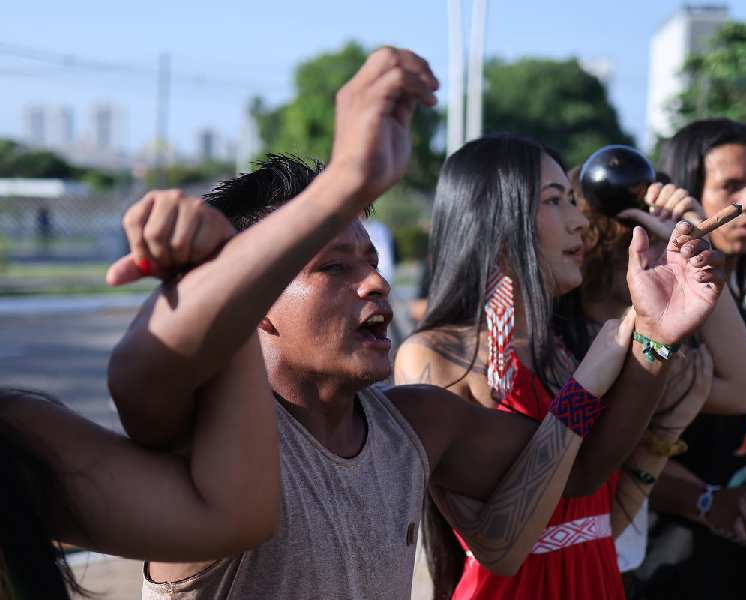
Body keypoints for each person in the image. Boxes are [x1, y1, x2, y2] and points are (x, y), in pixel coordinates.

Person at [107, 48, 663, 600]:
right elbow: (145, 374)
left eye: (371, 262)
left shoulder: (415, 426)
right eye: (334, 267)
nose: (376, 283)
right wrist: (342, 181)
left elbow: (577, 473)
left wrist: (653, 337)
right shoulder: (209, 444)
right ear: (255, 298)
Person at [394, 133, 728, 600]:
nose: (580, 222)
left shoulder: (570, 344)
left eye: (573, 200)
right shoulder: (433, 356)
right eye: (555, 200)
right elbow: (499, 546)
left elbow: (593, 509)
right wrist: (586, 387)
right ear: (495, 218)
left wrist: (657, 344)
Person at [0, 203, 280, 598]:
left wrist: (221, 279)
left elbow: (232, 518)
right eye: (333, 267)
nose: (368, 283)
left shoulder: (18, 439)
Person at [569, 168, 746, 577]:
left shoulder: (651, 353)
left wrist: (697, 249)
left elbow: (745, 389)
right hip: (569, 566)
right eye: (647, 233)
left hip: (618, 566)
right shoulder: (563, 346)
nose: (666, 250)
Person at [634, 119, 746, 600]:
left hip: (742, 561)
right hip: (670, 566)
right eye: (731, 187)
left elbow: (738, 415)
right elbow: (619, 443)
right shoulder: (653, 309)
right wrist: (707, 500)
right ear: (682, 193)